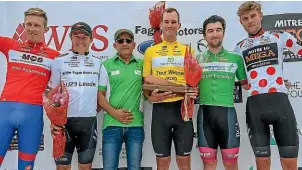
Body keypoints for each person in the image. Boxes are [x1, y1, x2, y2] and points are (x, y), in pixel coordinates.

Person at [233, 1, 302, 170]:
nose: (250, 21)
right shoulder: (238, 48)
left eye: (253, 16)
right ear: (241, 22)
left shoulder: (279, 36)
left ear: (261, 16)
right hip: (256, 106)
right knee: (262, 164)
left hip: (280, 102)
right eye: (245, 18)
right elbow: (244, 84)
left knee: (290, 164)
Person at [0, 7, 60, 170]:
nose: (32, 29)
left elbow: (57, 92)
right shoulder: (11, 45)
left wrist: (56, 120)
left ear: (46, 29)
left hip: (32, 116)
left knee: (26, 168)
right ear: (23, 26)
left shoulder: (55, 57)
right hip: (5, 111)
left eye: (37, 25)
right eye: (28, 24)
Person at [143, 7, 198, 170]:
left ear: (179, 25)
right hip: (160, 110)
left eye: (173, 22)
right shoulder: (151, 51)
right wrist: (175, 86)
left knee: (184, 162)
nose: (170, 25)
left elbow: (193, 80)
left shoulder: (188, 50)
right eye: (166, 22)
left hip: (183, 109)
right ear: (160, 24)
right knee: (163, 162)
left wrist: (193, 89)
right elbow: (147, 77)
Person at [196, 15, 248, 170]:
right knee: (209, 163)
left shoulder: (235, 58)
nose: (215, 34)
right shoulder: (197, 59)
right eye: (210, 31)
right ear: (204, 35)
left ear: (224, 33)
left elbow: (247, 85)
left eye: (218, 30)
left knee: (230, 163)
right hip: (205, 115)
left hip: (228, 116)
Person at [48, 22, 100, 170]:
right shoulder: (59, 62)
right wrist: (53, 120)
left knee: (86, 166)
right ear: (71, 37)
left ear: (91, 39)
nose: (80, 40)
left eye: (85, 37)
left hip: (88, 122)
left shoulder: (98, 63)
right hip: (64, 123)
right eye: (77, 36)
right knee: (62, 167)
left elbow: (101, 94)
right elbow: (52, 92)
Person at [97, 29, 145, 170]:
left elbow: (149, 88)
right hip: (112, 124)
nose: (124, 43)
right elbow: (100, 94)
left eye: (128, 41)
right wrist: (115, 113)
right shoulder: (106, 65)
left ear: (134, 44)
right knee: (109, 168)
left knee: (134, 168)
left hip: (135, 124)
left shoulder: (142, 64)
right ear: (115, 45)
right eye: (120, 41)